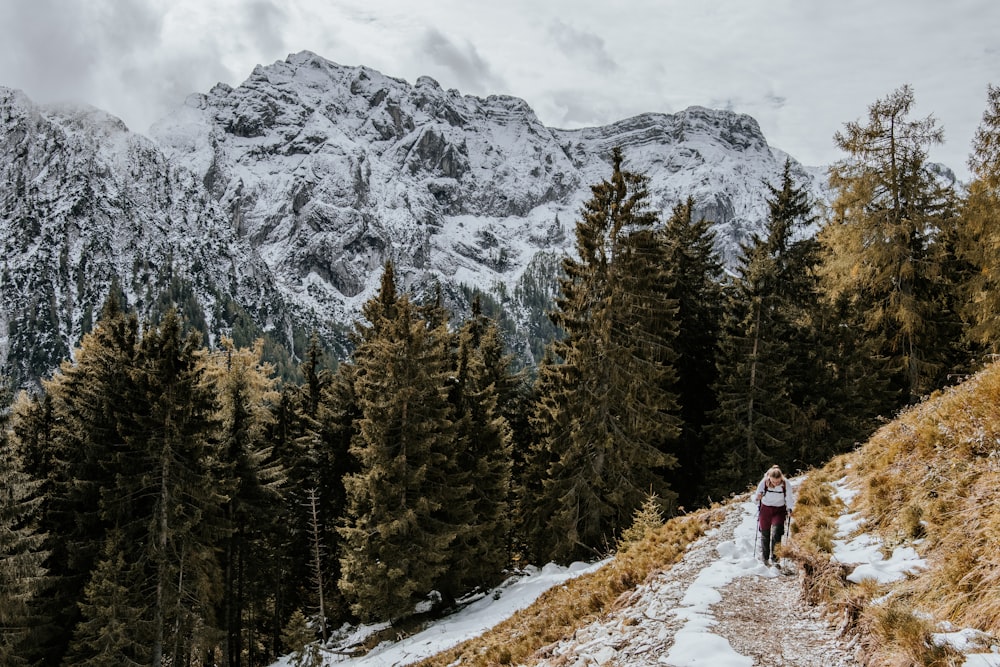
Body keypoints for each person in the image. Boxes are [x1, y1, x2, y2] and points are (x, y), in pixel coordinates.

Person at [754, 465, 795, 566]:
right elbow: (756, 497)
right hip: (766, 509)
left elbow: (789, 497)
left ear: (781, 477)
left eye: (778, 481)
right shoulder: (764, 483)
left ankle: (775, 558)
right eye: (773, 482)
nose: (776, 483)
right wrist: (757, 497)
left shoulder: (786, 484)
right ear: (769, 478)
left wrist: (790, 508)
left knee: (777, 533)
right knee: (765, 533)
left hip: (779, 510)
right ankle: (765, 558)